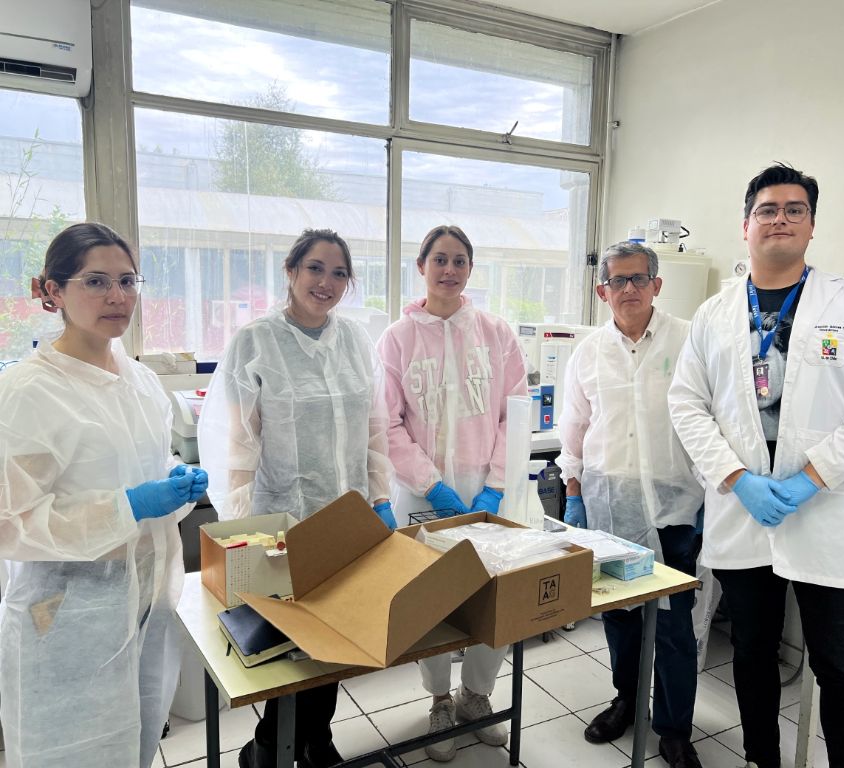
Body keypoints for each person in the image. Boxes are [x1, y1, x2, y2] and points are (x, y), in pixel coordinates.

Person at [668, 163, 844, 768]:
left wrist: (812, 478)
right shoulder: (714, 314)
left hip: (826, 511)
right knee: (752, 655)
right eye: (767, 209)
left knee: (842, 667)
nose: (780, 219)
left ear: (812, 225)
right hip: (746, 510)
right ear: (746, 226)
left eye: (795, 209)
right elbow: (685, 403)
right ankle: (761, 759)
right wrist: (737, 479)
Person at [0, 222, 206, 768]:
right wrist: (129, 506)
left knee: (136, 741)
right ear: (54, 291)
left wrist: (177, 480)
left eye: (128, 281)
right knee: (74, 753)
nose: (117, 297)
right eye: (95, 281)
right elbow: (11, 522)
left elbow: (144, 465)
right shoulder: (28, 391)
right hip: (65, 617)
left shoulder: (139, 381)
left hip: (144, 603)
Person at [198, 228, 393, 768]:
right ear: (290, 271)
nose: (325, 282)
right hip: (281, 523)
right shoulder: (255, 341)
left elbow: (374, 427)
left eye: (338, 273)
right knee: (288, 649)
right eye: (314, 268)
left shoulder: (355, 341)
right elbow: (239, 444)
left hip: (346, 520)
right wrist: (243, 528)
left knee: (335, 640)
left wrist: (380, 497)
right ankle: (268, 746)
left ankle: (315, 740)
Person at [377, 224, 527, 762]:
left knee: (496, 598)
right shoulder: (397, 338)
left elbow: (515, 413)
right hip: (423, 496)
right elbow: (386, 423)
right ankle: (440, 699)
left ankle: (476, 695)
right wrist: (430, 484)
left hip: (488, 494)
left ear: (470, 270)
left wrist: (495, 487)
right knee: (431, 605)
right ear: (421, 266)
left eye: (459, 260)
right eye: (439, 259)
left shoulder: (495, 333)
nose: (449, 269)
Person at [555, 241, 704, 768]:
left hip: (674, 508)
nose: (629, 289)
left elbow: (710, 419)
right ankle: (627, 700)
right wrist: (574, 495)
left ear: (657, 285)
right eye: (617, 280)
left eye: (639, 278)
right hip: (609, 506)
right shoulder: (588, 352)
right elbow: (574, 428)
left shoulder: (689, 340)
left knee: (674, 625)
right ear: (603, 292)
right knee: (620, 617)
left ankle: (674, 729)